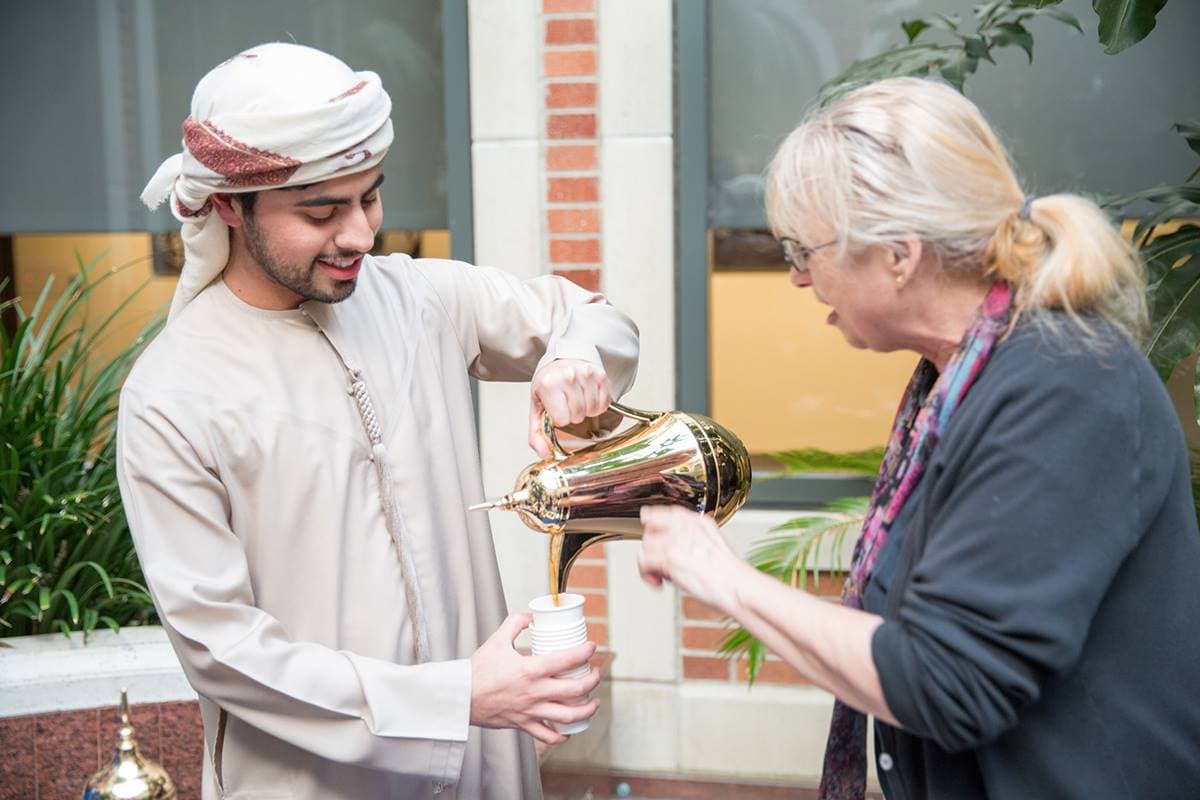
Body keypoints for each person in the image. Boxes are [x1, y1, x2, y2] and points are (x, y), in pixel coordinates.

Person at [636, 77, 1200, 800]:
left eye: (805, 251)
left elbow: (948, 683)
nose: (799, 280)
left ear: (899, 255)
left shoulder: (1064, 386)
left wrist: (724, 578)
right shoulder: (961, 378)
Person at [116, 43, 638, 800]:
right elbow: (221, 649)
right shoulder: (173, 393)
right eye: (323, 211)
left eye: (371, 197)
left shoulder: (418, 298)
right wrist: (455, 697)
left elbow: (595, 319)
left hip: (484, 766)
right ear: (228, 206)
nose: (361, 233)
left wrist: (571, 358)